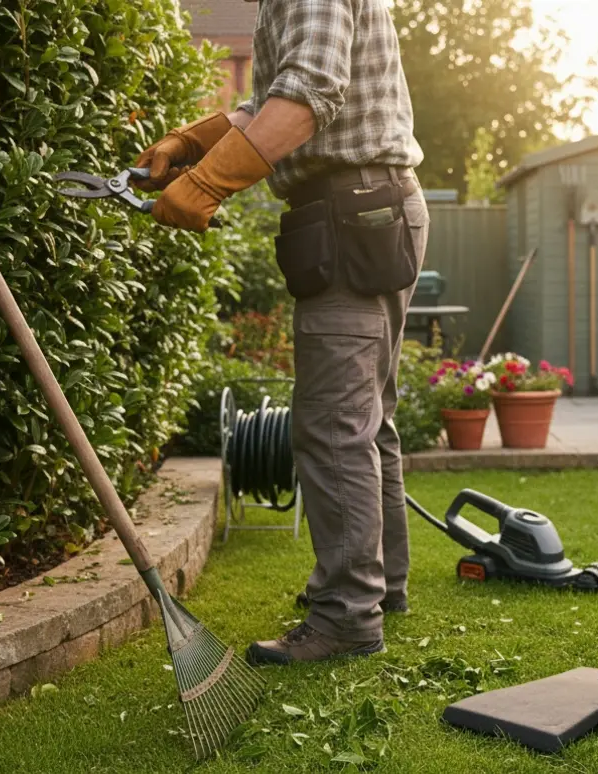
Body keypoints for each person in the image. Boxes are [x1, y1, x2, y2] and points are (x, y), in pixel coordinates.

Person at [133, 0, 427, 664]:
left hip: (350, 212)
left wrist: (206, 184)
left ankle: (349, 616)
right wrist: (188, 143)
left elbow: (308, 96)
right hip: (373, 204)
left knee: (331, 424)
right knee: (368, 418)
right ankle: (381, 590)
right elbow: (270, 101)